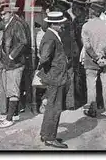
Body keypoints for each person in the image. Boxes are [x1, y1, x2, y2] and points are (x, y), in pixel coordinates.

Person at [0, 4, 28, 128]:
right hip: (9, 63)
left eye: (5, 14)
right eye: (1, 14)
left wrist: (11, 56)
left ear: (11, 13)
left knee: (13, 90)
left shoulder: (17, 24)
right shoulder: (8, 23)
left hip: (15, 63)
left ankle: (9, 119)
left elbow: (23, 41)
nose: (2, 16)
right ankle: (14, 114)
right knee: (9, 88)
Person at [37, 11, 71, 149]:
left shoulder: (51, 35)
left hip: (55, 76)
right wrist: (52, 70)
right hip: (55, 77)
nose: (62, 26)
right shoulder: (51, 37)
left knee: (51, 107)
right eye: (60, 23)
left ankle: (46, 134)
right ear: (54, 24)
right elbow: (44, 58)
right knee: (54, 108)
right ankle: (50, 138)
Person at [81, 3, 106, 118]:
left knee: (91, 86)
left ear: (91, 12)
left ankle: (92, 110)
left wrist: (96, 57)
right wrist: (103, 53)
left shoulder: (86, 26)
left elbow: (86, 46)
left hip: (91, 61)